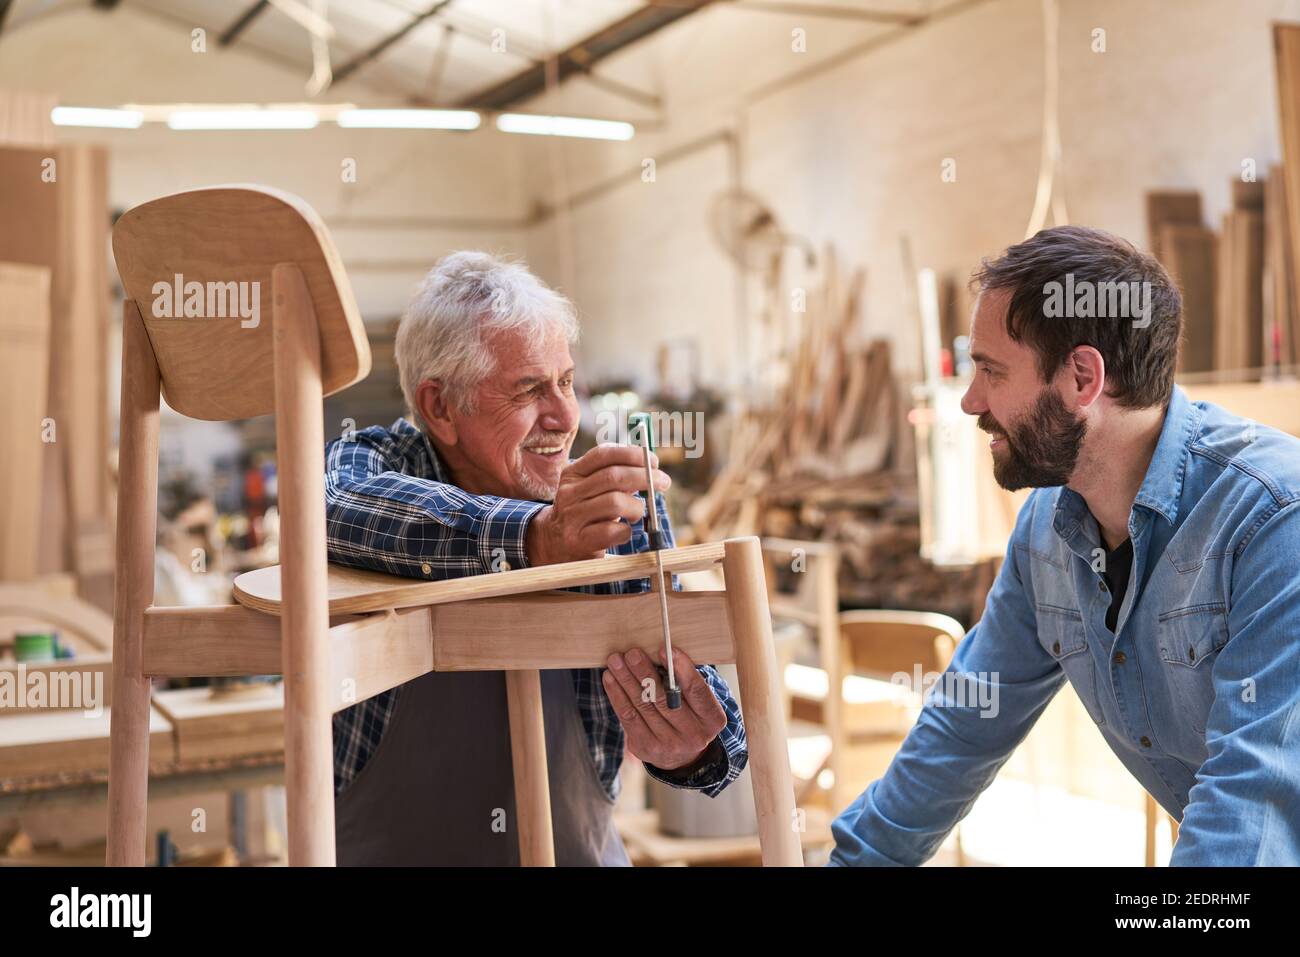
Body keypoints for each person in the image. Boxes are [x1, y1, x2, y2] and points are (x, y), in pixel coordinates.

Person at [831, 225, 1300, 866]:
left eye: (990, 371)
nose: (970, 402)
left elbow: (1253, 799)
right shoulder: (1046, 529)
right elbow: (967, 722)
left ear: (1081, 377)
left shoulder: (1274, 520)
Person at [324, 251, 747, 865]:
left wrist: (692, 749)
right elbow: (334, 509)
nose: (565, 416)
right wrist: (539, 538)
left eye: (567, 382)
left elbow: (719, 735)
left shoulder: (609, 509)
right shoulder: (378, 467)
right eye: (528, 390)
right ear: (440, 406)